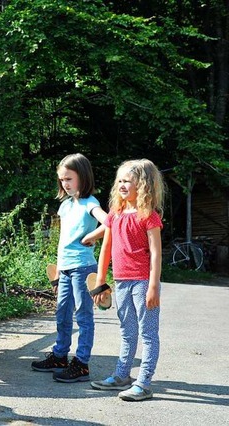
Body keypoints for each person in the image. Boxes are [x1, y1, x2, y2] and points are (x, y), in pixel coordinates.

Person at [90, 159, 165, 401]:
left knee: (148, 333)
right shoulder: (115, 214)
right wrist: (100, 281)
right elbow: (106, 248)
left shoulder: (149, 216)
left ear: (143, 185)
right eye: (119, 180)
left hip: (143, 281)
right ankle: (122, 375)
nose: (122, 185)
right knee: (127, 331)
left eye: (128, 181)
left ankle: (143, 383)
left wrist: (153, 286)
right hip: (121, 281)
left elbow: (156, 253)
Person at [31, 153, 107, 382]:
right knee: (62, 313)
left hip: (83, 268)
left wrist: (92, 236)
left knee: (83, 316)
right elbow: (63, 239)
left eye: (69, 179)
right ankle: (60, 356)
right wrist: (57, 271)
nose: (65, 183)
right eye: (62, 180)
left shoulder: (90, 203)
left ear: (83, 177)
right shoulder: (65, 206)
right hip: (65, 268)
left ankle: (82, 363)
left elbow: (110, 221)